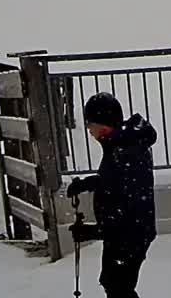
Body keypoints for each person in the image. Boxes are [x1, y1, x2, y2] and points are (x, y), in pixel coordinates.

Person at [66, 93, 157, 297]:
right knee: (113, 284)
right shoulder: (119, 144)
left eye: (90, 124)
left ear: (103, 125)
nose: (89, 130)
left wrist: (94, 232)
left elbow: (126, 208)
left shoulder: (126, 151)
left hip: (131, 235)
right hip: (124, 233)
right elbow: (112, 181)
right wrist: (86, 184)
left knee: (119, 288)